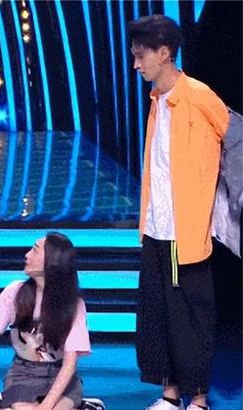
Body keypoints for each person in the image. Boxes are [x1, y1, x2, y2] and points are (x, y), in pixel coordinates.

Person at [128, 15, 230, 410]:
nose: (136, 64)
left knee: (189, 317)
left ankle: (198, 398)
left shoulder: (199, 96)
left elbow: (234, 140)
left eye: (141, 56)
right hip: (156, 230)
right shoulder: (157, 101)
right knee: (156, 316)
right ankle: (169, 394)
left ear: (165, 53)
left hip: (183, 235)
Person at [0, 233, 91, 410]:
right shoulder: (15, 292)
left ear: (52, 260)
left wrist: (45, 407)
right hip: (23, 375)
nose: (27, 255)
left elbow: (69, 364)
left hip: (60, 377)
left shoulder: (74, 305)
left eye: (35, 250)